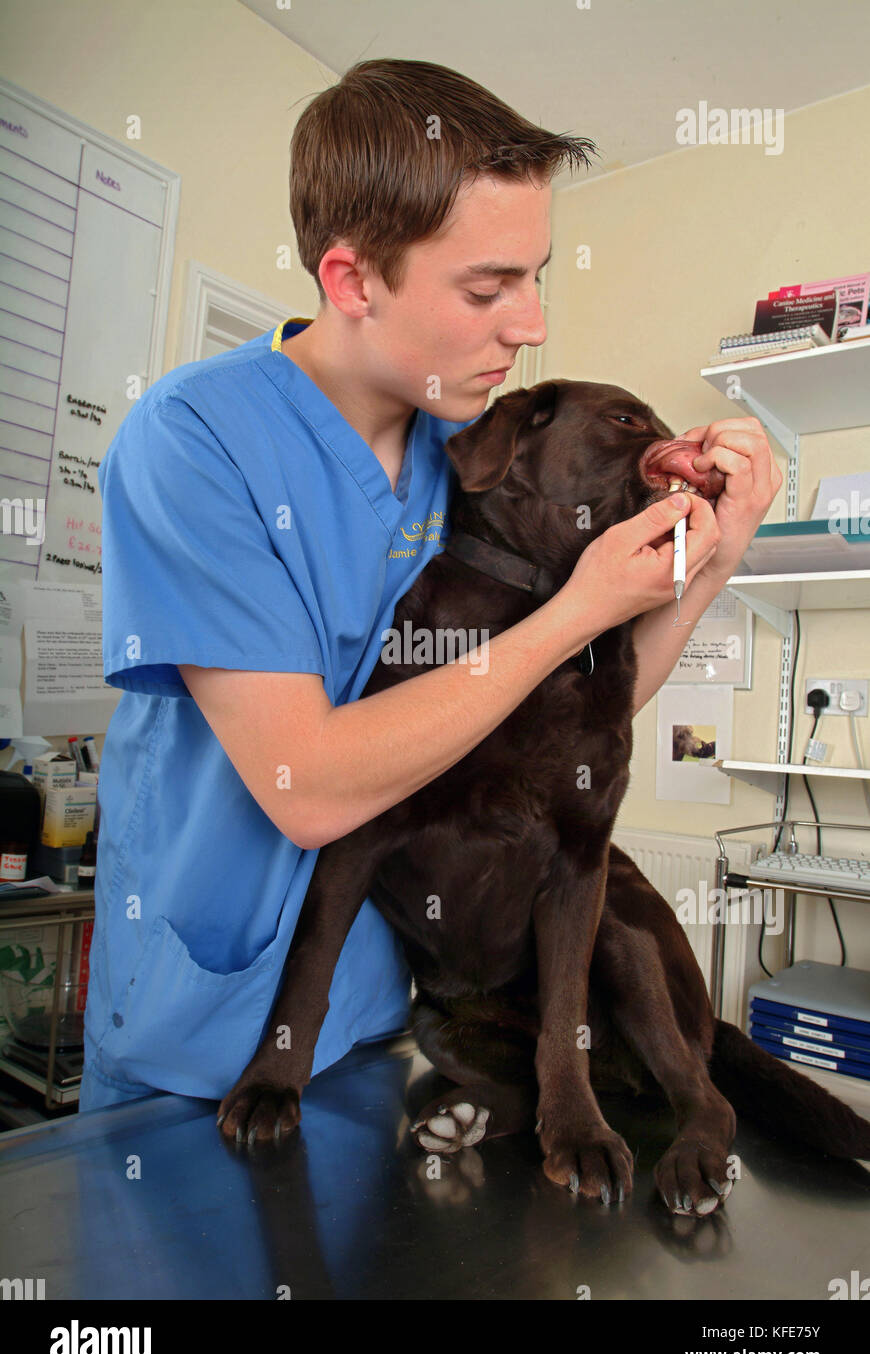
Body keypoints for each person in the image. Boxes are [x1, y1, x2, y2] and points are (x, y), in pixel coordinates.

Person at [79, 58, 780, 1113]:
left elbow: (570, 713)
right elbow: (304, 787)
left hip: (379, 1019)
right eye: (489, 288)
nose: (531, 322)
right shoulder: (196, 442)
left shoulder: (473, 453)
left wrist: (715, 554)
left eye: (538, 276)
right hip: (196, 1030)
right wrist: (577, 609)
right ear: (353, 279)